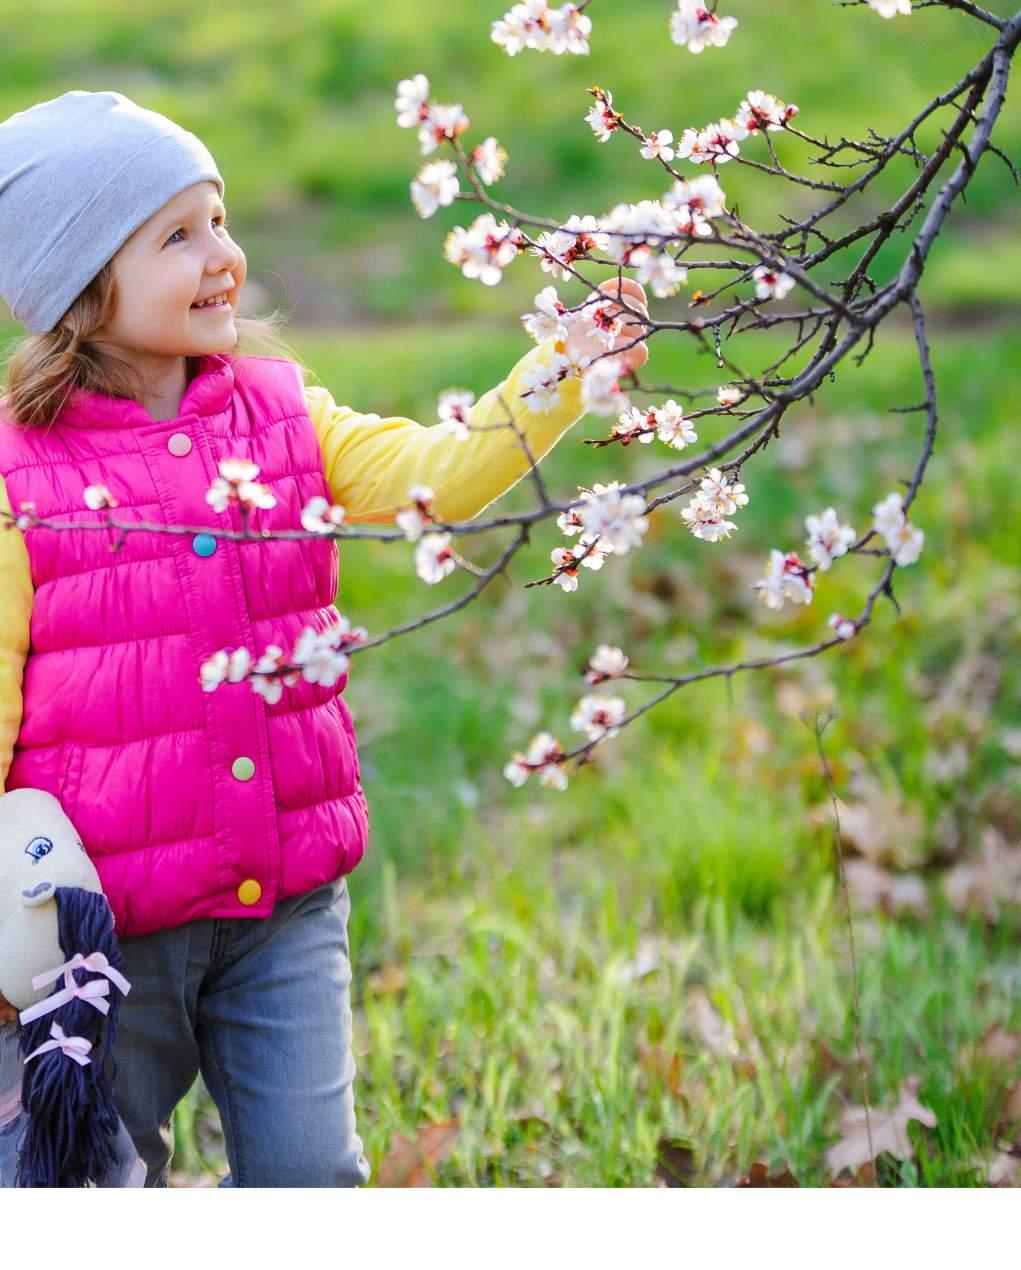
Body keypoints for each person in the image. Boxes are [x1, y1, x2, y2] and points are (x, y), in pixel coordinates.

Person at [0, 89, 648, 1187]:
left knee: (313, 1180)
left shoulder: (285, 412)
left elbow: (429, 479)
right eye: (177, 235)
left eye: (220, 220)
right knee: (82, 1186)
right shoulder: (21, 477)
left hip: (286, 902)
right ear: (78, 289)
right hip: (107, 934)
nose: (223, 256)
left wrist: (559, 372)